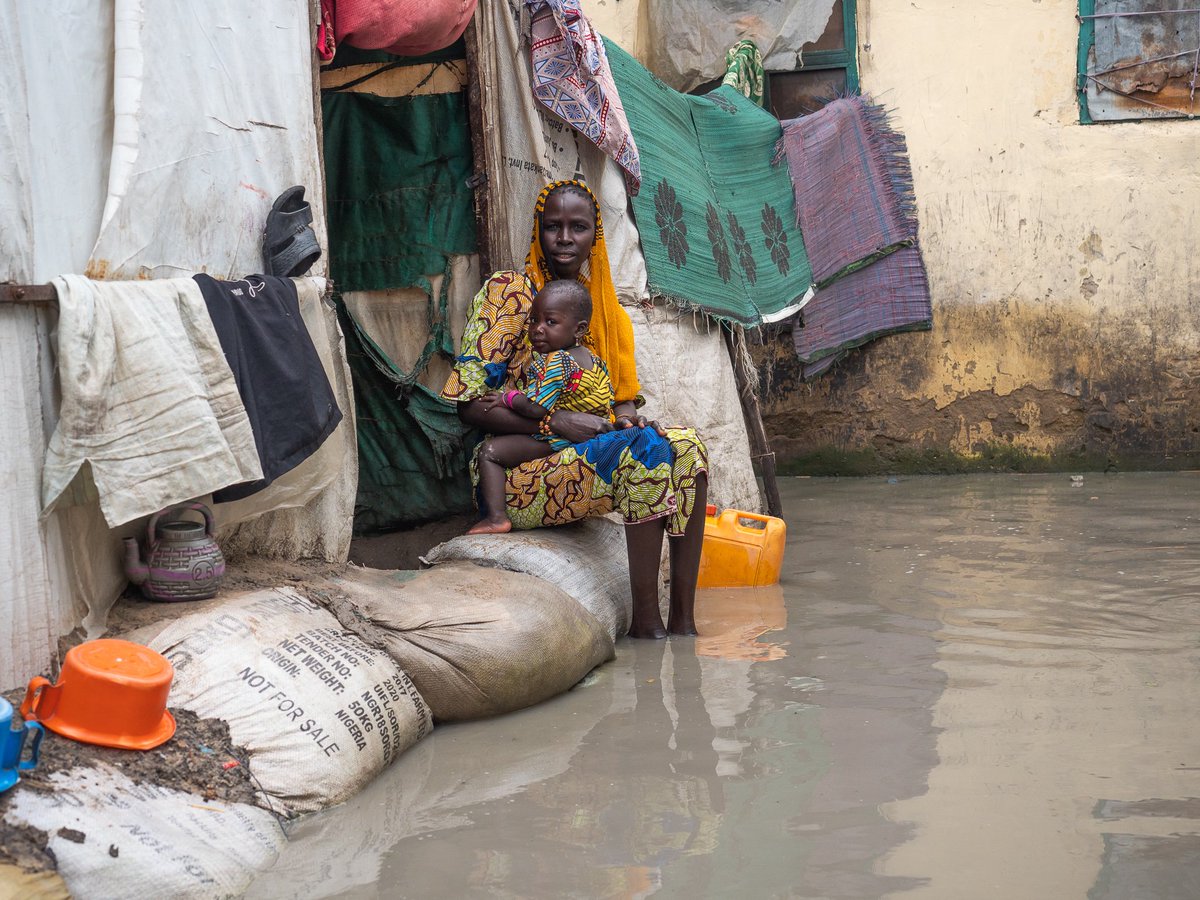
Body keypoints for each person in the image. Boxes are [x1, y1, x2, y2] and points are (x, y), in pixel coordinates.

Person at [441, 179, 709, 638]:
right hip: (516, 464)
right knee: (641, 457)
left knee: (687, 446)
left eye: (578, 228)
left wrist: (626, 421)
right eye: (553, 227)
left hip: (582, 457)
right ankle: (647, 624)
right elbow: (469, 406)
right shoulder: (512, 293)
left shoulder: (602, 312)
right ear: (537, 233)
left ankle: (684, 622)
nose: (564, 239)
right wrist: (555, 419)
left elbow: (617, 400)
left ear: (595, 237)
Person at [468, 279, 620, 534]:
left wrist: (507, 397)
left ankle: (496, 518)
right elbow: (608, 401)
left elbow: (534, 407)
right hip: (587, 439)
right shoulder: (596, 362)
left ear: (579, 329)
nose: (537, 329)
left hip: (558, 440)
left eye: (550, 322)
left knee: (490, 451)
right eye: (533, 320)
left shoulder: (556, 362)